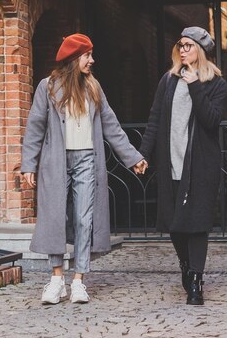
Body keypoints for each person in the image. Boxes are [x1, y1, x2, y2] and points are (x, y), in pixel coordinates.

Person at [21, 33, 147, 305]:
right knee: (55, 217)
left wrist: (133, 157)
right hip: (56, 161)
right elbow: (35, 127)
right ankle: (56, 280)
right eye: (87, 55)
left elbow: (112, 126)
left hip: (87, 160)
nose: (92, 60)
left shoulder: (94, 87)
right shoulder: (48, 87)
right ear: (73, 58)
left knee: (83, 219)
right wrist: (28, 163)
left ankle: (78, 280)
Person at [140, 27, 227, 306]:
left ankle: (196, 281)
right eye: (180, 44)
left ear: (200, 50)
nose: (183, 50)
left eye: (189, 45)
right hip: (171, 162)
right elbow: (154, 119)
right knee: (175, 224)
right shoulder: (167, 80)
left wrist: (195, 85)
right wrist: (142, 154)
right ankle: (186, 264)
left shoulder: (215, 83)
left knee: (197, 224)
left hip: (201, 165)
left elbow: (211, 120)